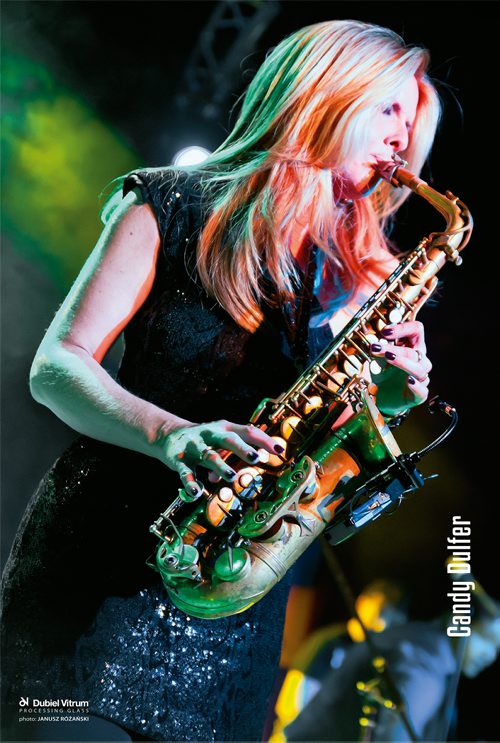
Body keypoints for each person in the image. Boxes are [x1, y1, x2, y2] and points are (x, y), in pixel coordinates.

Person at [1, 18, 439, 742]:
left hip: (236, 615)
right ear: (326, 89)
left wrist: (387, 401)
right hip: (99, 580)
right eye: (390, 106)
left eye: (413, 119)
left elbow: (336, 475)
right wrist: (171, 435)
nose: (404, 135)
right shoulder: (166, 201)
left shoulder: (370, 281)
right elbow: (57, 366)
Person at [278, 606, 500, 742]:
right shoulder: (423, 662)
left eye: (497, 649)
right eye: (487, 639)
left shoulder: (416, 639)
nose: (490, 655)